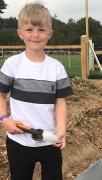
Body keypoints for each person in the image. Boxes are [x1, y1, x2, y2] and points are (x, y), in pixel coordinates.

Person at [0, 2, 73, 180]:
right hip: (18, 141)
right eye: (29, 29)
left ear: (50, 33)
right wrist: (4, 119)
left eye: (41, 29)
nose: (35, 35)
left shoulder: (56, 68)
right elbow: (1, 95)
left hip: (49, 140)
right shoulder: (12, 64)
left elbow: (61, 101)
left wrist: (61, 129)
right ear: (20, 33)